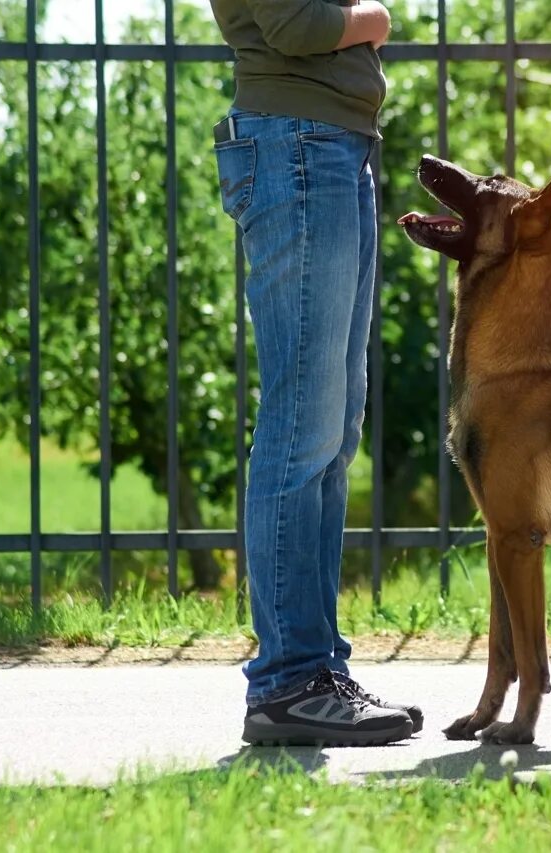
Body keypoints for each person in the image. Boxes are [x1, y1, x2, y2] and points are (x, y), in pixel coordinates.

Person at [209, 0, 422, 746]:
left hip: (333, 150)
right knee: (302, 426)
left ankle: (317, 669)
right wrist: (379, 18)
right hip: (296, 149)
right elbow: (298, 27)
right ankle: (288, 680)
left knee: (332, 429)